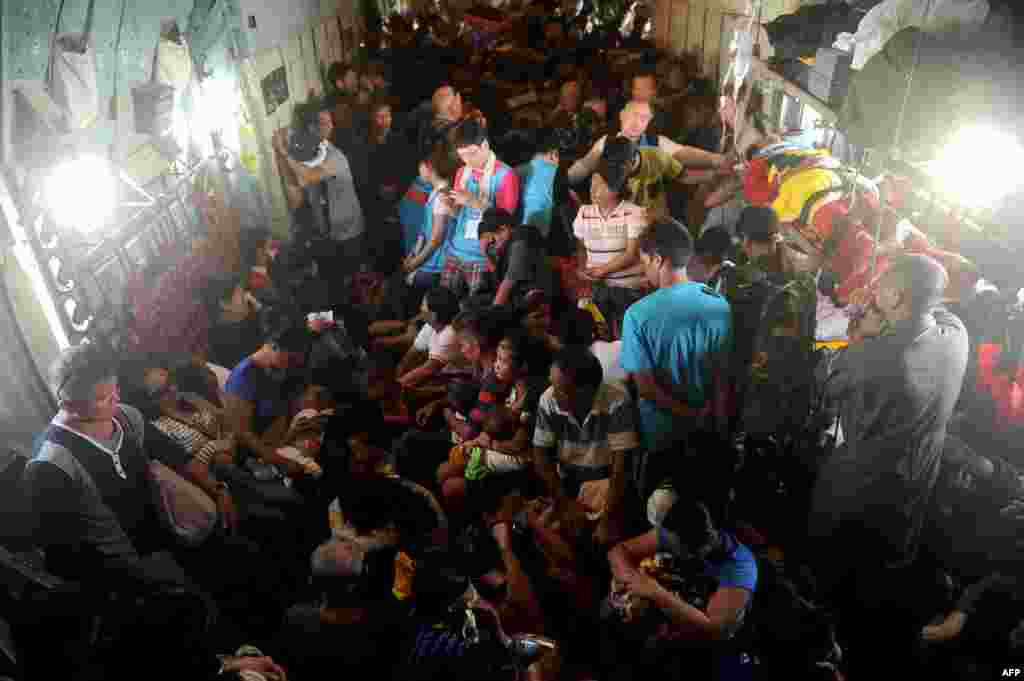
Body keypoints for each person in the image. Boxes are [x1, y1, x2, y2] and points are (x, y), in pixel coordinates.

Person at [810, 254, 969, 677]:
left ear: (896, 295)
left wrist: (861, 331)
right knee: (887, 570)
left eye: (881, 282)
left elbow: (828, 382)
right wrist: (891, 314)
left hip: (859, 488)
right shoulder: (957, 336)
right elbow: (935, 308)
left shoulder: (875, 357)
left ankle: (837, 654)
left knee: (839, 578)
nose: (874, 285)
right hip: (916, 481)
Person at [621, 218, 731, 498]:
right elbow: (722, 376)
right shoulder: (718, 304)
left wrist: (689, 414)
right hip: (706, 434)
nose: (645, 270)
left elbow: (645, 388)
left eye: (645, 262)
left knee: (657, 511)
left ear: (658, 259)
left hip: (660, 437)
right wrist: (715, 423)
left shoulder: (637, 315)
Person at [606, 500, 757, 676]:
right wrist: (633, 583)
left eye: (677, 549)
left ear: (704, 544)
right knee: (609, 611)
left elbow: (713, 629)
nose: (668, 546)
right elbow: (618, 552)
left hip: (708, 641)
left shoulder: (740, 569)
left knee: (654, 648)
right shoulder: (677, 533)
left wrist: (655, 592)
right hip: (676, 603)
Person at [533, 348, 640, 546]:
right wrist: (565, 504)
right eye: (553, 385)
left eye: (561, 390)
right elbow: (540, 457)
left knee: (595, 536)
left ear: (586, 391)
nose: (553, 394)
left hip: (606, 485)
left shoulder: (616, 400)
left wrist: (607, 519)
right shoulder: (548, 400)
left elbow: (621, 467)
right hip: (568, 484)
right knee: (542, 532)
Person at [274, 105, 366, 297]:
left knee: (354, 287)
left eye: (330, 121)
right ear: (312, 129)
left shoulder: (335, 156)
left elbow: (309, 176)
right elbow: (296, 185)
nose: (332, 126)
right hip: (327, 236)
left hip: (349, 234)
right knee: (335, 288)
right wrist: (280, 154)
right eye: (326, 123)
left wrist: (284, 153)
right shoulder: (311, 154)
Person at [442, 119, 521, 299]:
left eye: (472, 153)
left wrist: (474, 202)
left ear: (484, 145)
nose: (468, 160)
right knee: (444, 307)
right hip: (455, 251)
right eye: (462, 156)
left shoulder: (505, 175)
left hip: (482, 258)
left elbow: (504, 223)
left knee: (474, 314)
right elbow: (457, 214)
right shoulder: (462, 172)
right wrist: (449, 205)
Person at [568, 100, 723, 190]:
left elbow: (682, 154)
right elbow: (581, 169)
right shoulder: (605, 144)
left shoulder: (656, 142)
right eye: (632, 116)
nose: (636, 122)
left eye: (643, 118)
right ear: (622, 116)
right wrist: (556, 182)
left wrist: (717, 161)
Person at [224, 316, 312, 472]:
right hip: (243, 460)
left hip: (269, 456)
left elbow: (274, 428)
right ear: (273, 345)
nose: (289, 367)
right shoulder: (245, 375)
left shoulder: (276, 375)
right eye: (290, 360)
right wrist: (281, 461)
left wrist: (291, 435)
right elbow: (242, 434)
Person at [573, 155, 650, 335]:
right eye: (592, 183)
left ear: (616, 189)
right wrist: (582, 268)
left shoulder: (634, 213)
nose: (593, 189)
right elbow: (581, 248)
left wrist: (602, 271)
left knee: (628, 336)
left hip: (628, 289)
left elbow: (631, 254)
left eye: (600, 185)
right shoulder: (584, 212)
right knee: (598, 334)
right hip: (597, 288)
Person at [400, 142, 461, 291]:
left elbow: (435, 240)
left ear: (428, 166)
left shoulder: (442, 197)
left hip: (435, 265)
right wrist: (413, 255)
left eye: (420, 165)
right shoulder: (437, 192)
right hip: (430, 261)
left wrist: (414, 264)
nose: (418, 170)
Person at [478, 208, 554, 308]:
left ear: (503, 229)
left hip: (538, 299)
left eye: (494, 237)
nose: (494, 243)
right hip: (519, 297)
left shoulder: (522, 237)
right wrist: (486, 254)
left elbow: (510, 279)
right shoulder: (507, 246)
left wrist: (493, 314)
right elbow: (498, 279)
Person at [397, 286, 463, 389]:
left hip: (457, 381)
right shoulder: (430, 326)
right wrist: (399, 370)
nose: (420, 308)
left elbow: (427, 369)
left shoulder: (449, 334)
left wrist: (396, 385)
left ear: (433, 314)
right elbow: (413, 353)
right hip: (440, 376)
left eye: (423, 304)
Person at [515, 128, 561, 239]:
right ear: (553, 154)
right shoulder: (557, 172)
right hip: (547, 236)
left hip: (519, 234)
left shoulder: (515, 172)